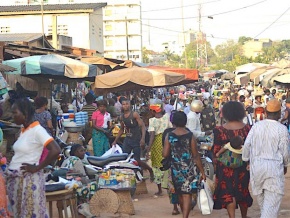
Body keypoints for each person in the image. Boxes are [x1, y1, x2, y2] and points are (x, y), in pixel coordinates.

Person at [6, 98, 60, 218]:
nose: (12, 116)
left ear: (24, 113)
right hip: (17, 181)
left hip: (28, 182)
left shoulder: (37, 130)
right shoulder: (23, 131)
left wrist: (37, 167)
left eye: (15, 113)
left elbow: (55, 150)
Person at [243, 99, 289, 218]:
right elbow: (285, 152)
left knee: (265, 206)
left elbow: (247, 145)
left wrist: (247, 160)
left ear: (266, 113)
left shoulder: (256, 126)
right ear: (279, 113)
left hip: (257, 169)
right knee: (270, 209)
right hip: (273, 169)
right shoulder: (282, 129)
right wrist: (285, 165)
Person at [213, 101, 253, 218]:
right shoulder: (248, 129)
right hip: (243, 166)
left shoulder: (219, 130)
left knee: (229, 193)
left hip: (225, 168)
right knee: (243, 190)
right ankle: (244, 216)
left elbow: (216, 151)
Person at [163, 111, 206, 218]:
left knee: (180, 194)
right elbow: (196, 156)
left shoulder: (169, 135)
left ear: (173, 121)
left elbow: (165, 154)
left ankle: (184, 215)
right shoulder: (190, 135)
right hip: (189, 169)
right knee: (187, 194)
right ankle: (185, 216)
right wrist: (202, 172)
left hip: (175, 169)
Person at [112, 99, 154, 181]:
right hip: (128, 139)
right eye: (123, 104)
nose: (125, 106)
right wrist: (115, 140)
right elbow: (121, 129)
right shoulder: (122, 117)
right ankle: (129, 176)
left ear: (130, 105)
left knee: (137, 160)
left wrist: (142, 139)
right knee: (124, 158)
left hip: (136, 139)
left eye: (127, 104)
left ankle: (148, 170)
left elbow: (142, 126)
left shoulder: (134, 114)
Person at [147, 101, 172, 196]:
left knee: (157, 166)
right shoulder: (166, 117)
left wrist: (148, 149)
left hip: (157, 144)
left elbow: (152, 135)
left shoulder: (152, 120)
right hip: (166, 142)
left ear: (153, 111)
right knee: (166, 163)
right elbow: (171, 128)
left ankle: (159, 189)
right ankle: (169, 186)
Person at [33, 96, 54, 163]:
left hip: (35, 136)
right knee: (46, 153)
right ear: (44, 104)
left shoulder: (33, 113)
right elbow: (49, 126)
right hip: (45, 136)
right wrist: (52, 131)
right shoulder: (46, 113)